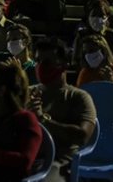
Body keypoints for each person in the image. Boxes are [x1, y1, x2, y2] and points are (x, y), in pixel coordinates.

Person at [28, 39, 96, 182]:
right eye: (38, 61)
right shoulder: (27, 94)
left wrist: (41, 119)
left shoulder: (78, 97)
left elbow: (83, 135)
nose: (41, 67)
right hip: (25, 157)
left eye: (47, 62)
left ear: (64, 65)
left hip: (57, 163)